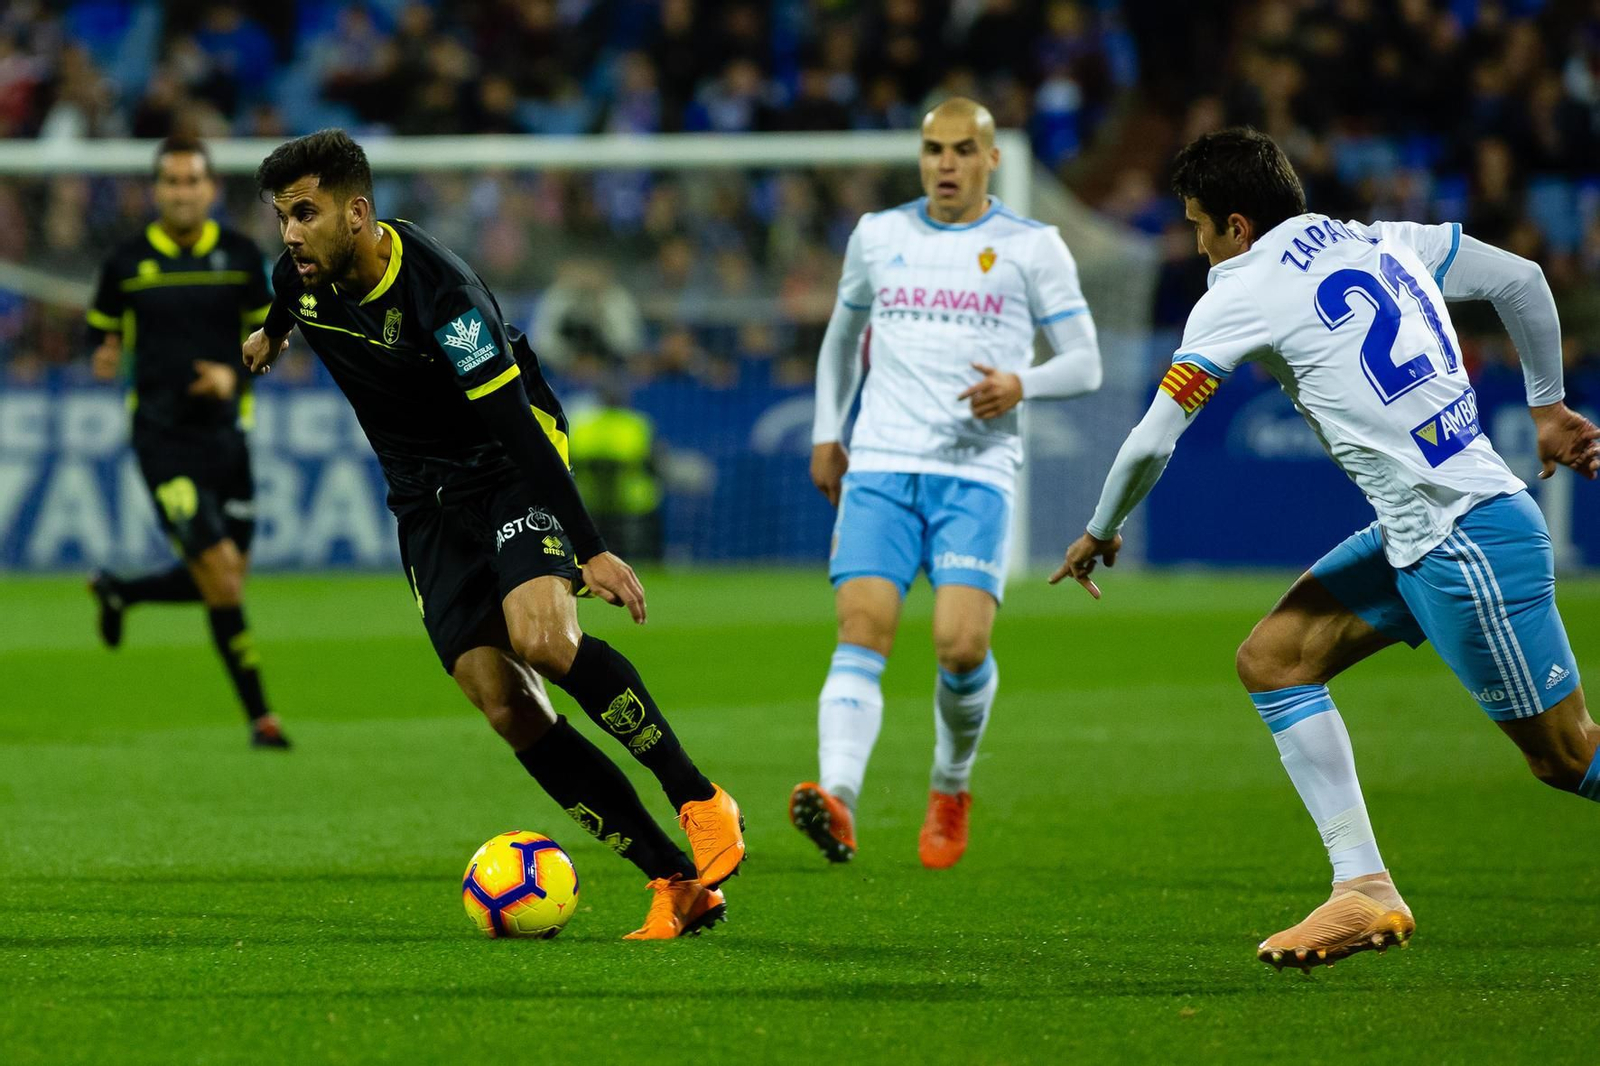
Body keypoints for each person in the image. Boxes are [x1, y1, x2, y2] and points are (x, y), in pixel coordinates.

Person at [1054, 128, 1600, 970]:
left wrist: (1101, 527)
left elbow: (1152, 442)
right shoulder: (1380, 238)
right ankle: (1364, 890)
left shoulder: (1238, 288)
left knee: (1569, 759)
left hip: (1465, 540)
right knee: (1274, 659)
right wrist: (1549, 406)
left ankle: (1367, 889)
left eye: (1199, 224)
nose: (1196, 243)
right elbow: (1521, 280)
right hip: (1422, 531)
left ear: (1237, 225)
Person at [242, 130, 744, 940]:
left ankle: (698, 797)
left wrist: (591, 547)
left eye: (306, 213)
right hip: (423, 502)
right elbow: (286, 298)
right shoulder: (300, 280)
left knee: (542, 638)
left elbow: (516, 427)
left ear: (358, 212)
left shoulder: (443, 295)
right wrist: (271, 335)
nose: (291, 233)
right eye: (282, 217)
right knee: (502, 700)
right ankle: (676, 882)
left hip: (508, 467)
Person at [796, 97, 1103, 869]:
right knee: (862, 626)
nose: (945, 164)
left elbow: (1087, 361)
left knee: (960, 647)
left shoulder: (1033, 247)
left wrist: (1021, 384)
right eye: (934, 149)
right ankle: (838, 795)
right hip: (882, 461)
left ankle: (951, 783)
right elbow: (842, 338)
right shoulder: (880, 235)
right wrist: (828, 433)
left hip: (974, 470)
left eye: (963, 150)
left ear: (991, 159)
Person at [85, 135, 290, 750]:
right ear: (157, 190)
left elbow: (273, 334)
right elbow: (103, 338)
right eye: (170, 181)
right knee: (222, 577)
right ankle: (262, 718)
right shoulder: (125, 263)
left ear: (209, 189)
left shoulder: (238, 254)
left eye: (192, 180)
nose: (181, 191)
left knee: (226, 578)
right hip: (162, 441)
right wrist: (105, 354)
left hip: (228, 438)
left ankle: (122, 589)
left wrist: (236, 369)